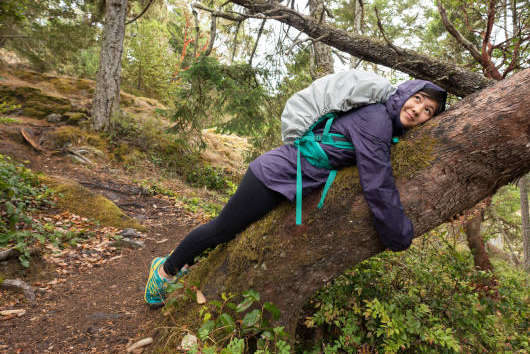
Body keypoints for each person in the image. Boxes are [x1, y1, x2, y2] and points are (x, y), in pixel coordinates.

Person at [144, 75, 447, 306]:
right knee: (221, 230)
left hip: (290, 181)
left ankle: (183, 266)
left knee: (233, 233)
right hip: (274, 175)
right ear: (406, 93)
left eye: (428, 110)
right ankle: (165, 271)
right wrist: (400, 235)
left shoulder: (384, 123)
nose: (418, 110)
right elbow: (378, 183)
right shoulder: (377, 119)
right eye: (418, 99)